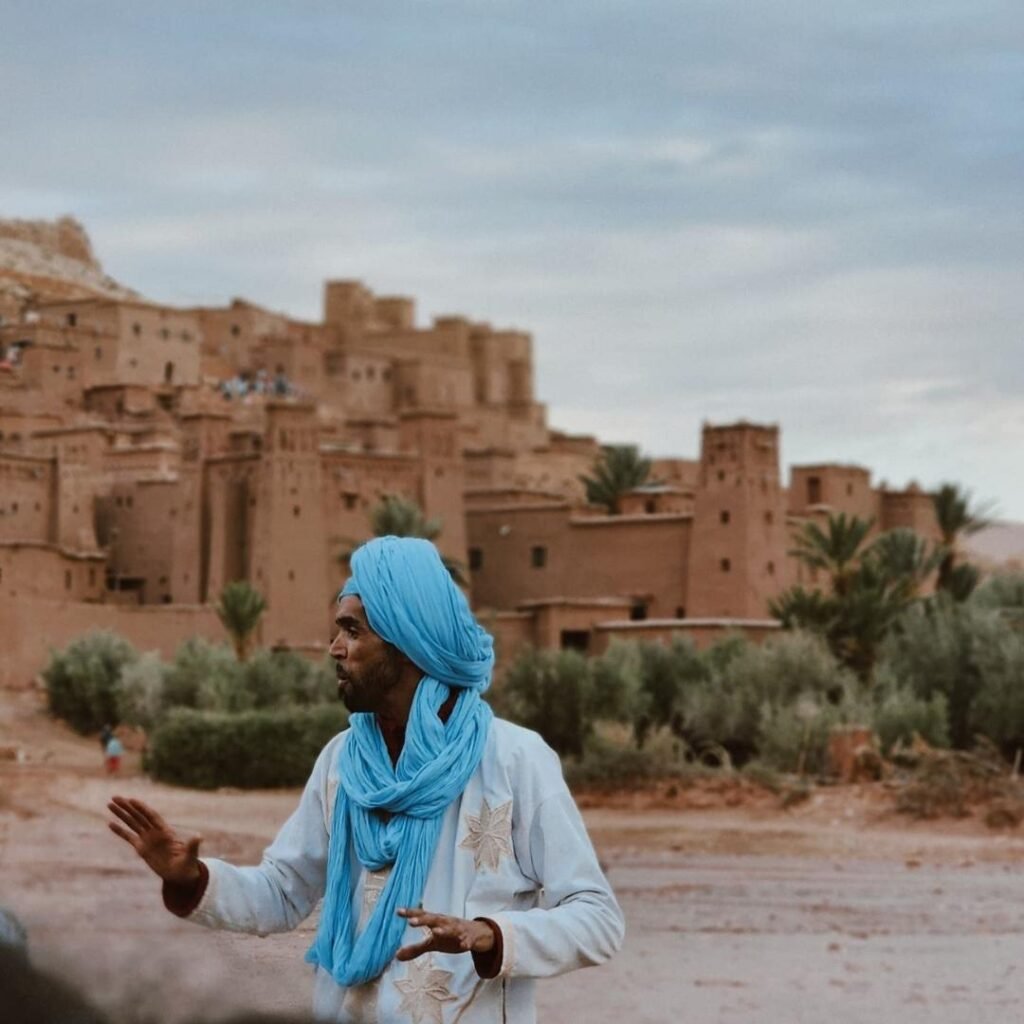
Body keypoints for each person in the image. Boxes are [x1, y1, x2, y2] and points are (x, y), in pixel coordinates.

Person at [108, 536, 623, 1023]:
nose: (334, 648)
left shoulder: (513, 759)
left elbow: (597, 919)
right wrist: (191, 880)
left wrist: (491, 935)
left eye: (353, 631)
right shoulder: (342, 763)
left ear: (407, 643)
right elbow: (284, 892)